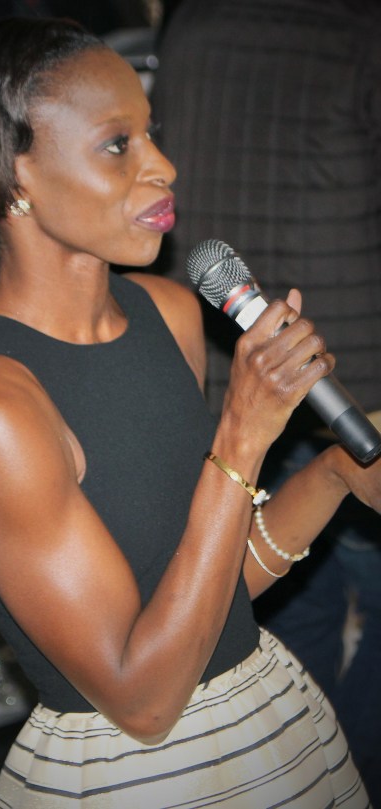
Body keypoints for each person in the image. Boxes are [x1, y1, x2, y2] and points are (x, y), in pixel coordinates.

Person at [0, 16, 381, 807]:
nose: (164, 166)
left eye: (152, 133)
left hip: (266, 723)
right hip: (132, 771)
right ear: (16, 176)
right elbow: (143, 697)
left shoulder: (170, 313)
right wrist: (244, 431)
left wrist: (335, 474)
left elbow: (209, 589)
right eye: (118, 144)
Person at [150, 1, 381, 801]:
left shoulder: (193, 20)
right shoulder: (361, 24)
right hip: (351, 381)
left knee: (283, 621)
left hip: (231, 371)